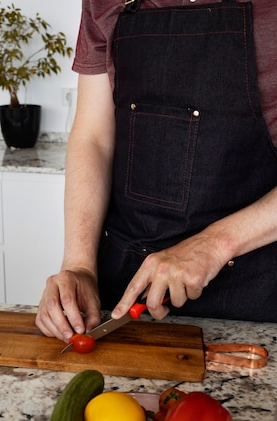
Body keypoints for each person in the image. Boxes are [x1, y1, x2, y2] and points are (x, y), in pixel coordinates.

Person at [36, 0, 277, 344]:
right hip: (124, 298)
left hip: (254, 302)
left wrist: (213, 245)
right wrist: (79, 266)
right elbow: (93, 138)